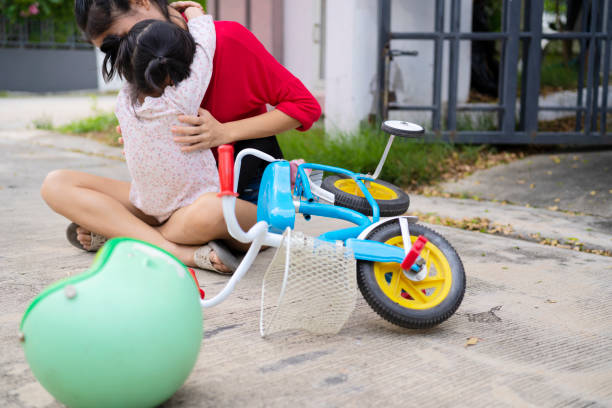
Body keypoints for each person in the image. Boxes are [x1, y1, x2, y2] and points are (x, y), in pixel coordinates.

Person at [41, 0, 321, 273]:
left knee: (211, 210)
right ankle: (170, 248)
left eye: (123, 37)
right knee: (57, 184)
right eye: (113, 49)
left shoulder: (227, 40)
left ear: (141, 2)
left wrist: (224, 132)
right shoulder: (140, 60)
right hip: (174, 200)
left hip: (236, 205)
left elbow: (305, 107)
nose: (124, 52)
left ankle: (126, 236)